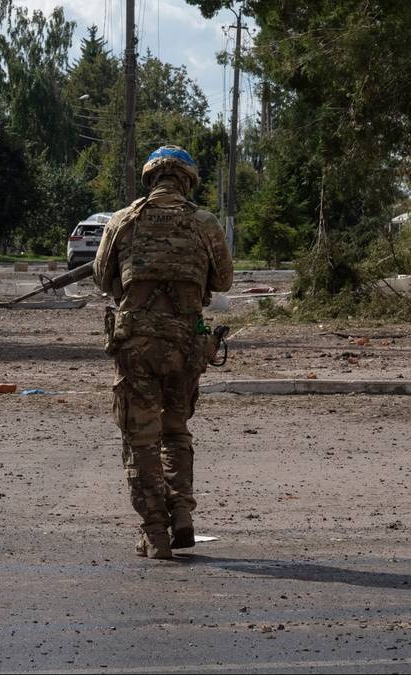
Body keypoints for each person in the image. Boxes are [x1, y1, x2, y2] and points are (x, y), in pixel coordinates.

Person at [93, 145, 233, 559]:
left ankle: (155, 531)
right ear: (187, 180)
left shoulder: (123, 221)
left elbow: (103, 276)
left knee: (140, 438)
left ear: (150, 178)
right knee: (175, 431)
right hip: (185, 347)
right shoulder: (204, 223)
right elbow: (223, 281)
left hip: (136, 346)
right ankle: (182, 513)